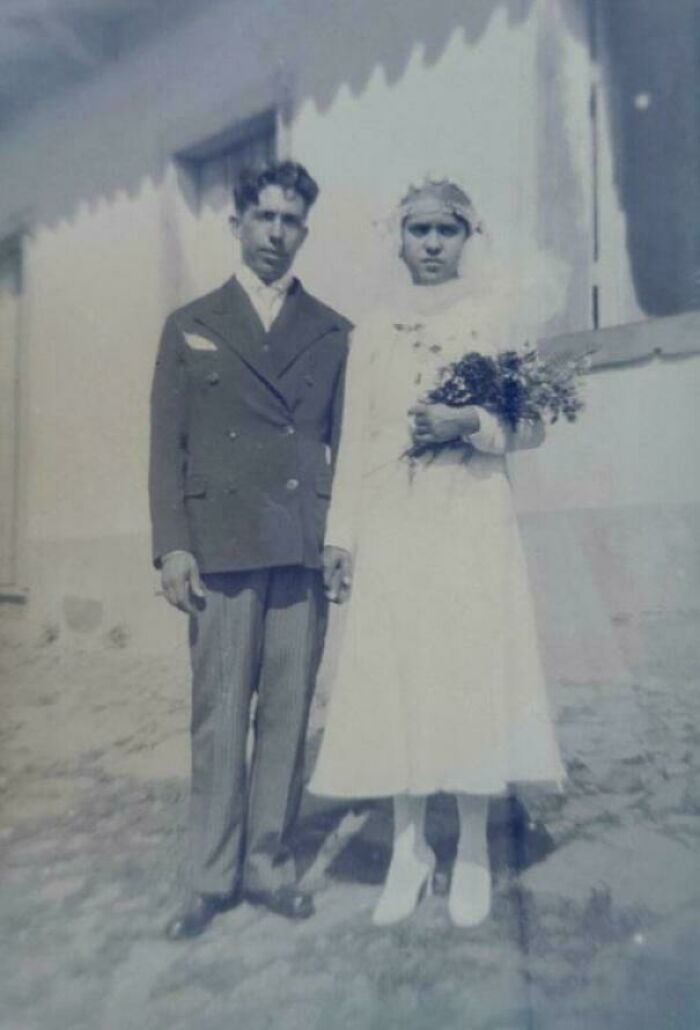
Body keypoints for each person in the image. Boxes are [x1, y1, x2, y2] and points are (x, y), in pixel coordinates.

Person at [309, 179, 564, 928]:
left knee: (469, 673)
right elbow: (354, 440)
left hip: (471, 520)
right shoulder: (375, 330)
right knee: (400, 681)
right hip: (395, 525)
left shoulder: (492, 319)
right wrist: (341, 537)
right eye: (417, 230)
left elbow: (533, 425)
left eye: (444, 231)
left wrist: (471, 423)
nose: (429, 244)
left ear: (466, 237)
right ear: (398, 238)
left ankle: (477, 849)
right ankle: (409, 848)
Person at [149, 160, 351, 939]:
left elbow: (348, 443)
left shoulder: (332, 333)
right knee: (219, 715)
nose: (276, 233)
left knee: (287, 713)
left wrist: (342, 540)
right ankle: (208, 876)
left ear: (304, 230)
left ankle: (268, 867)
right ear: (236, 223)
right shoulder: (191, 322)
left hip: (300, 546)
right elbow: (166, 447)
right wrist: (172, 548)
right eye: (263, 217)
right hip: (221, 548)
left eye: (290, 221)